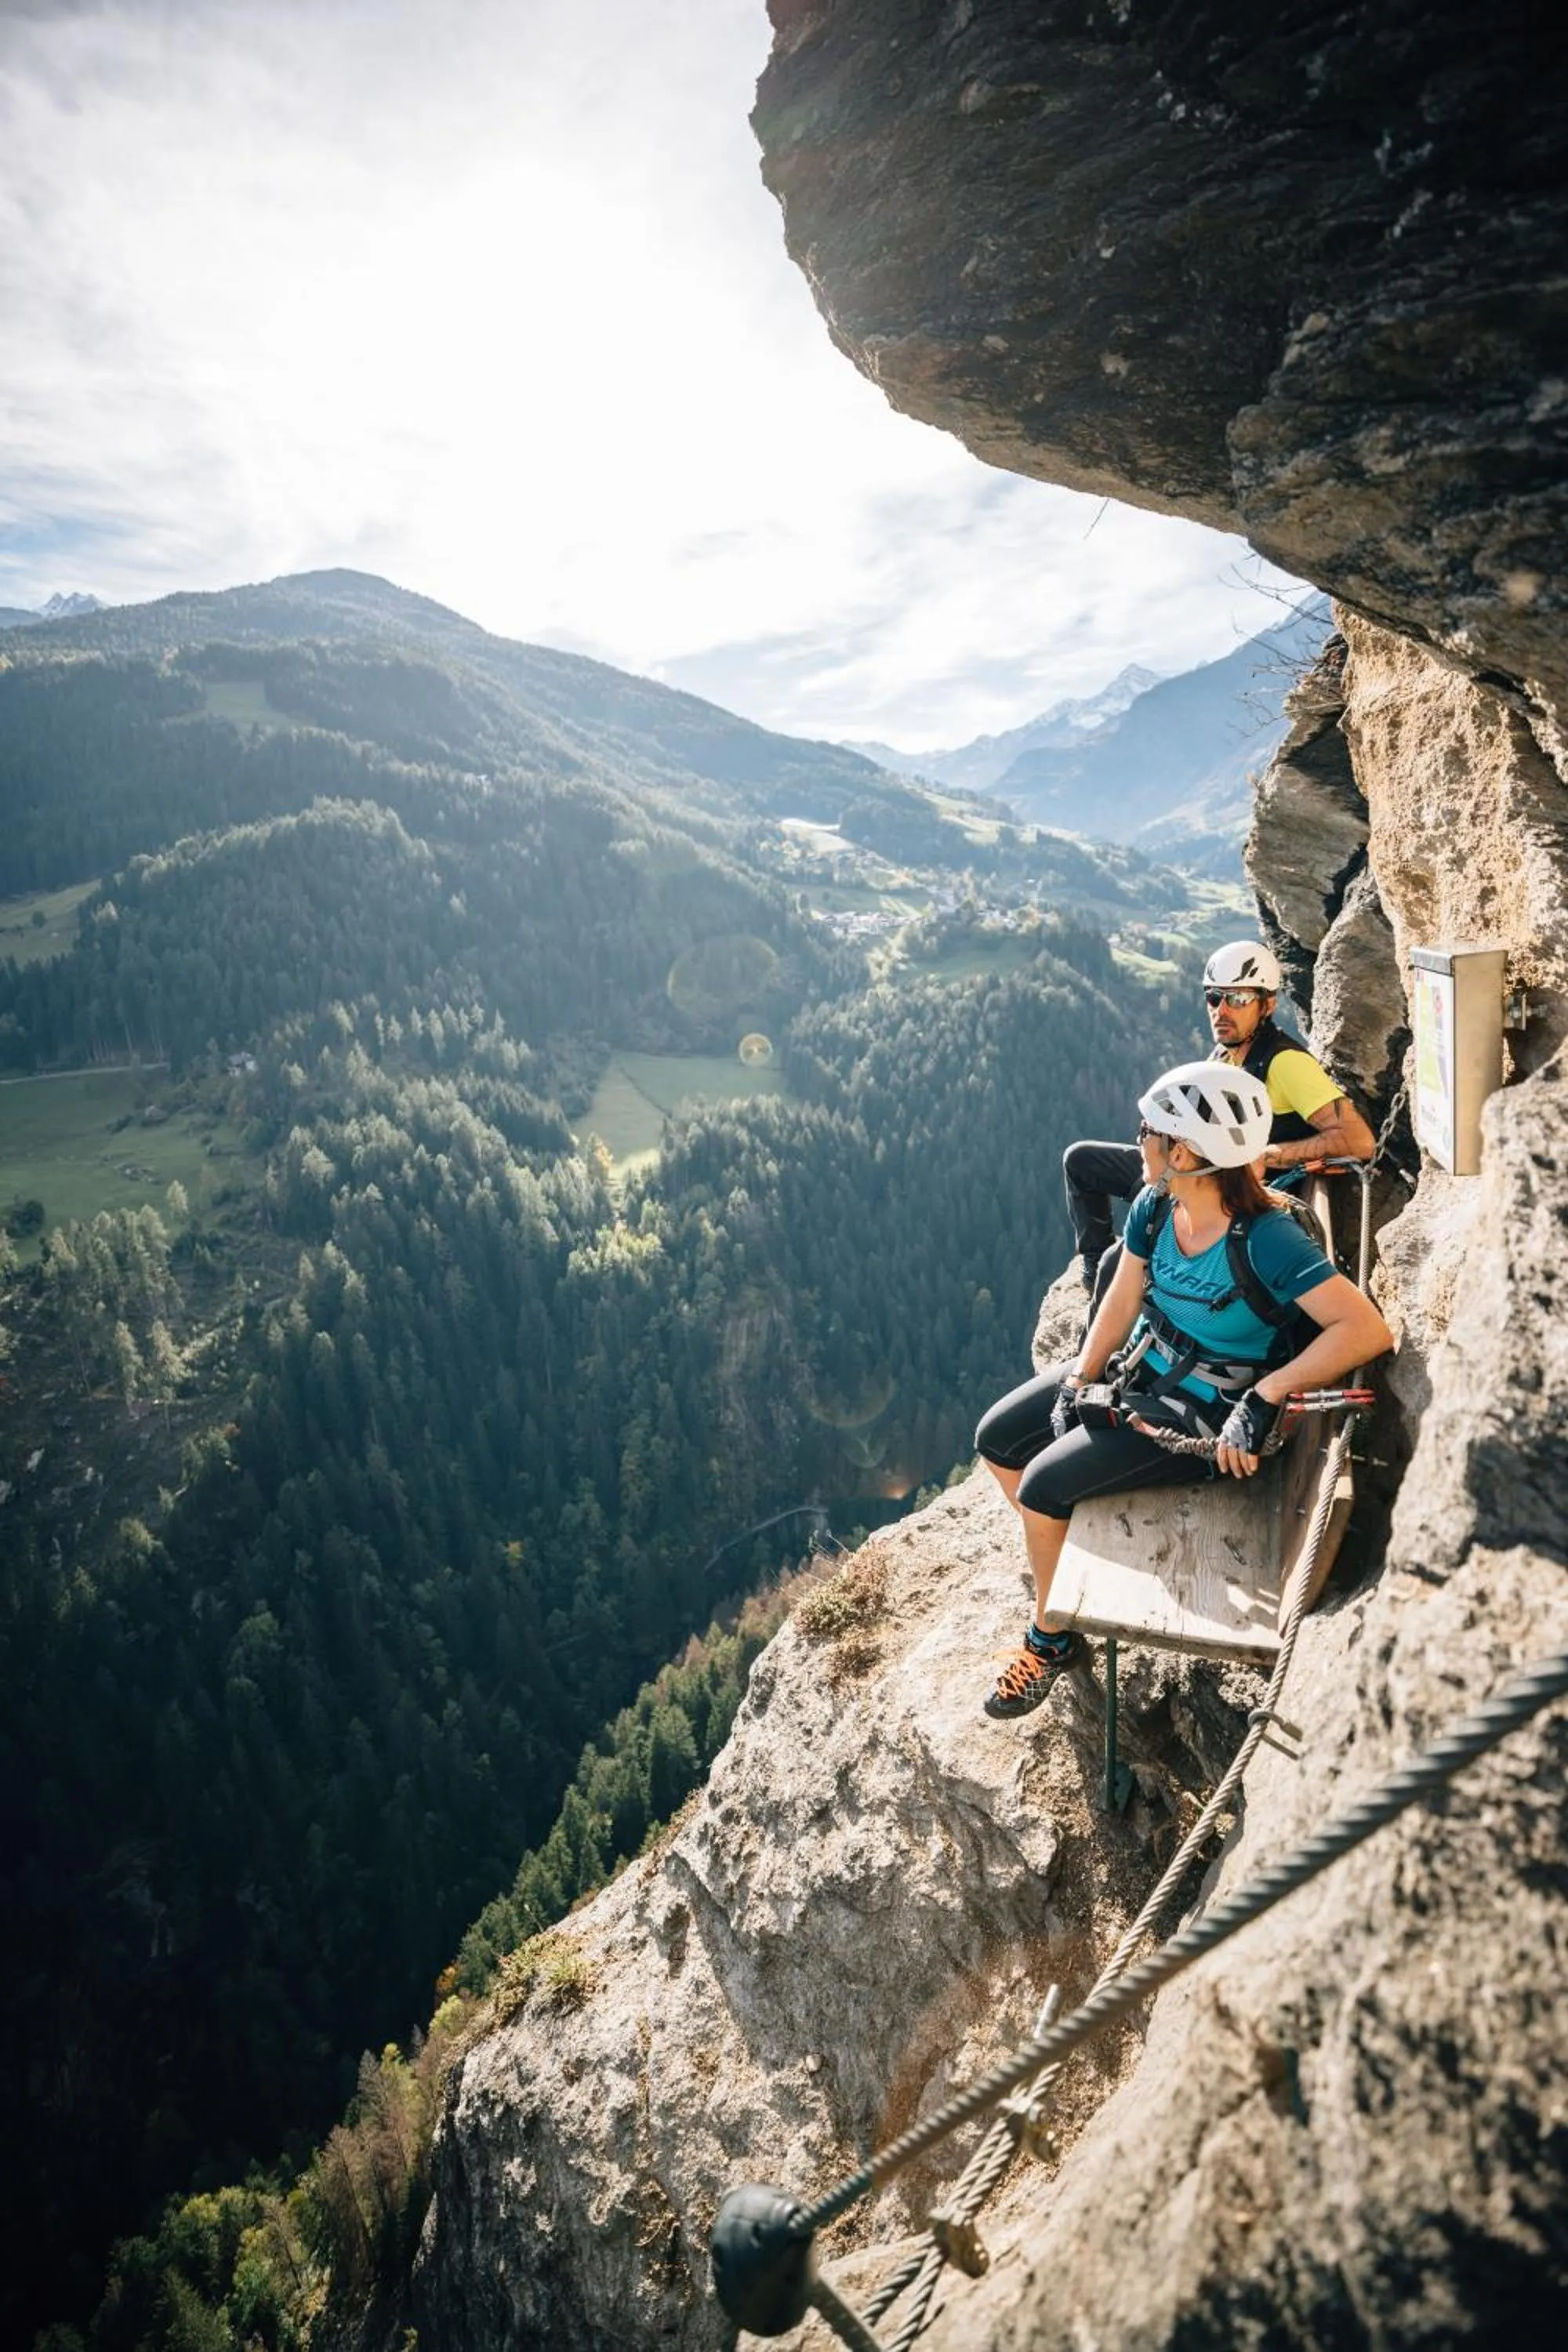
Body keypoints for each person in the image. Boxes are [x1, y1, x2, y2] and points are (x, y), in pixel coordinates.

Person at [976, 1059, 1392, 1720]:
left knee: (1043, 1486)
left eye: (1149, 1128)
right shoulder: (1157, 1204)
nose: (1138, 1137)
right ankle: (1056, 1563)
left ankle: (1051, 1639)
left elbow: (1365, 1329)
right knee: (997, 1439)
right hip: (1141, 1372)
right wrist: (1082, 1373)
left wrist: (1266, 1396)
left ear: (1186, 1152)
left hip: (1206, 1418)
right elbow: (1123, 1293)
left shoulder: (1267, 1240)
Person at [1064, 940, 1375, 1302]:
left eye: (1238, 999)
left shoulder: (1286, 1063)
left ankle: (1107, 1322)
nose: (1222, 1010)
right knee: (1081, 1161)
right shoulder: (1225, 1056)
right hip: (1192, 1172)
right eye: (1214, 998)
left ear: (1268, 1004)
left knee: (1116, 1264)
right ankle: (1090, 1266)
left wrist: (1268, 1155)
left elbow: (1359, 1142)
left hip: (1227, 1194)